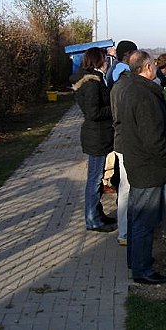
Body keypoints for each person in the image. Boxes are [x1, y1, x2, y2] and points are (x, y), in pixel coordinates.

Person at [110, 50, 166, 284]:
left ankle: (135, 262)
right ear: (147, 67)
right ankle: (142, 270)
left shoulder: (129, 88)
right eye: (154, 65)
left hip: (137, 162)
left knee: (138, 218)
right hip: (147, 167)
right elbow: (153, 137)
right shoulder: (144, 95)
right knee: (144, 221)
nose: (157, 68)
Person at [69, 47, 117, 232]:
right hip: (96, 136)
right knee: (95, 180)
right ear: (98, 61)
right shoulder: (91, 83)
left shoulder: (93, 79)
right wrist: (114, 109)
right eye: (104, 60)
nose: (106, 63)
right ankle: (92, 220)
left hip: (98, 136)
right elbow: (93, 112)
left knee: (96, 178)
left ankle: (98, 214)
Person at [107, 40, 137, 246]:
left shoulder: (114, 71)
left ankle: (126, 230)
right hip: (125, 137)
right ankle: (125, 232)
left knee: (125, 184)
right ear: (128, 55)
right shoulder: (122, 73)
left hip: (120, 136)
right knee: (127, 186)